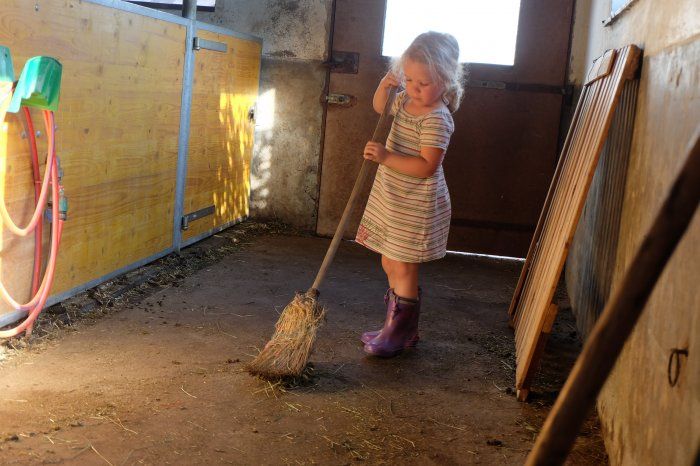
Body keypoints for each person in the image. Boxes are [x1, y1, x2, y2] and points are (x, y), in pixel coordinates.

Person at [355, 31, 465, 357]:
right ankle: (397, 326)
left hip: (416, 201)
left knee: (403, 265)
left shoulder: (437, 119)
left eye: (424, 83)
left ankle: (400, 332)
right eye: (410, 79)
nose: (414, 88)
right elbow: (380, 108)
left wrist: (387, 157)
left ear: (445, 81)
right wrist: (385, 88)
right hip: (393, 195)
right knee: (390, 260)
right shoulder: (405, 99)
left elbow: (426, 166)